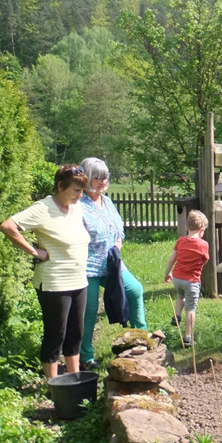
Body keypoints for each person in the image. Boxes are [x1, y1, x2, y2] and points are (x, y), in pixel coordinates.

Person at [0, 164, 90, 379]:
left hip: (79, 280)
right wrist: (35, 252)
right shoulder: (43, 208)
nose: (80, 195)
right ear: (60, 186)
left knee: (75, 333)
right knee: (56, 334)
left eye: (82, 190)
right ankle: (53, 383)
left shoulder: (77, 208)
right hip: (55, 282)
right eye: (76, 190)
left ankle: (74, 378)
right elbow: (7, 226)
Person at [78, 157, 147, 371]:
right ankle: (86, 356)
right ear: (87, 178)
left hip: (112, 264)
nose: (102, 181)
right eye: (97, 177)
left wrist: (118, 242)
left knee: (135, 290)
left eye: (105, 177)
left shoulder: (107, 201)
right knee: (89, 309)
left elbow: (119, 229)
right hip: (87, 266)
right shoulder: (78, 205)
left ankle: (141, 341)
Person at [164, 210, 210, 347]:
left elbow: (172, 259)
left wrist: (167, 273)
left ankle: (177, 316)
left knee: (180, 295)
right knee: (191, 309)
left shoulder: (181, 241)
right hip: (192, 281)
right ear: (202, 230)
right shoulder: (203, 245)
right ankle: (188, 337)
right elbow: (205, 260)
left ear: (187, 227)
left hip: (177, 279)